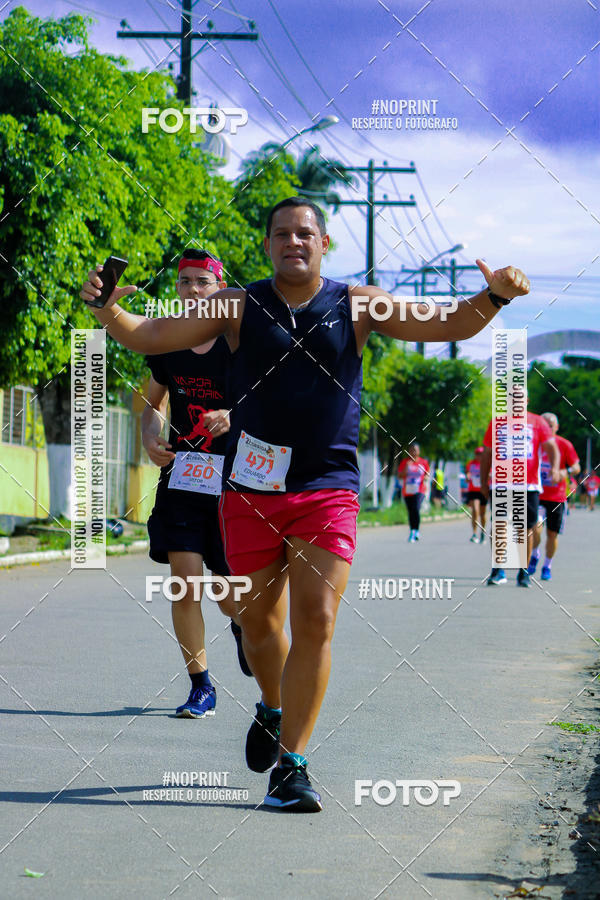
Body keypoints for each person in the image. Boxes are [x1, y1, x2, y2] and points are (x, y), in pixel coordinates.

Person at [80, 196, 531, 813]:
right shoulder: (235, 306)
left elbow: (446, 323)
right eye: (282, 234)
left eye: (306, 233)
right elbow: (152, 334)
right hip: (250, 490)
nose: (294, 241)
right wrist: (109, 310)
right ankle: (270, 705)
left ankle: (292, 766)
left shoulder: (360, 303)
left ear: (324, 245)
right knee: (260, 625)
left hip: (328, 487)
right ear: (266, 246)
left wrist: (495, 297)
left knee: (315, 621)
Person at [142, 249, 251, 718]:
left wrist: (232, 414)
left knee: (230, 597)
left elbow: (272, 401)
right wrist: (149, 433)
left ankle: (246, 629)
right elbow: (151, 402)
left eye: (202, 282)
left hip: (236, 481)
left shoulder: (240, 342)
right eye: (184, 281)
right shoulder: (167, 340)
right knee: (184, 584)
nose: (192, 289)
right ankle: (200, 685)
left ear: (219, 288)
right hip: (184, 476)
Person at [480, 407, 559, 587]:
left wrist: (554, 468)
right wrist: (483, 482)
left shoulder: (538, 422)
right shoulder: (498, 422)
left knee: (524, 529)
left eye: (519, 398)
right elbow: (487, 453)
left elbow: (551, 447)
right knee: (499, 525)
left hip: (527, 485)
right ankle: (498, 569)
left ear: (526, 401)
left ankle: (523, 571)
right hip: (501, 484)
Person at [527, 412, 579, 581]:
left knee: (552, 535)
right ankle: (534, 554)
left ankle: (547, 565)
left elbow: (576, 467)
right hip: (538, 494)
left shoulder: (564, 444)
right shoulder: (532, 441)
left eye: (551, 425)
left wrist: (565, 471)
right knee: (535, 527)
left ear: (556, 427)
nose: (548, 427)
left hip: (557, 498)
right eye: (545, 424)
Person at [397, 444, 430, 541]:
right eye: (411, 450)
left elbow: (427, 474)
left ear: (419, 451)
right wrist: (407, 468)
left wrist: (425, 478)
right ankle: (412, 531)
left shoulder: (423, 462)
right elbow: (400, 475)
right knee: (411, 511)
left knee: (416, 508)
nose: (413, 452)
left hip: (420, 489)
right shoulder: (405, 462)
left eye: (415, 450)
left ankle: (416, 530)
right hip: (408, 491)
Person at [465, 447, 487, 543]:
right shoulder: (471, 464)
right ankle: (474, 533)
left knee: (482, 514)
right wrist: (468, 476)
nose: (479, 456)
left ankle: (482, 531)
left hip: (483, 491)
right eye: (477, 454)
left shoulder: (487, 464)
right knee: (475, 510)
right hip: (473, 490)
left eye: (481, 454)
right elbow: (468, 474)